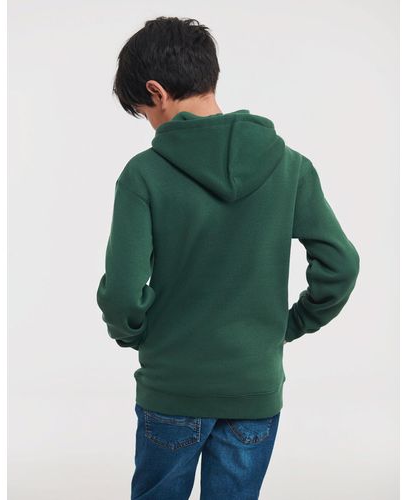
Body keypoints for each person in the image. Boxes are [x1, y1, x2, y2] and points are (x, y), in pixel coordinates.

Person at [96, 16, 360, 500]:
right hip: (253, 389)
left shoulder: (144, 174)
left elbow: (122, 293)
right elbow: (341, 265)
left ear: (157, 92)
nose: (149, 125)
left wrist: (133, 333)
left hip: (172, 386)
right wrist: (287, 326)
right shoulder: (291, 167)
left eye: (144, 112)